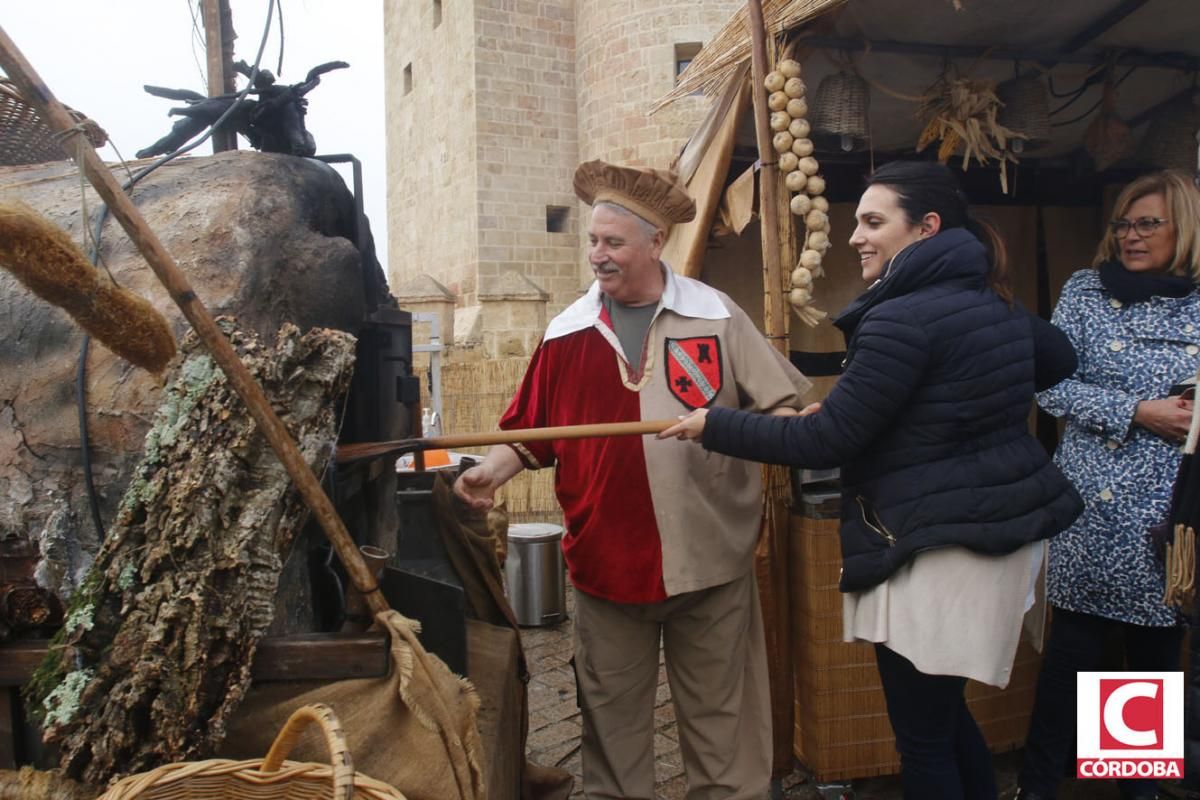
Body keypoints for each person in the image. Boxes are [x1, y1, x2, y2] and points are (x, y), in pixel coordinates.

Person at [661, 160, 1083, 800]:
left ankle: (1137, 781)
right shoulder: (984, 298)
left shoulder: (903, 315)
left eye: (872, 221)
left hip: (937, 546)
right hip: (997, 530)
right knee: (943, 715)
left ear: (926, 228)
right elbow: (1054, 361)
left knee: (922, 736)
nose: (855, 235)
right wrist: (951, 409)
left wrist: (713, 424)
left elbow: (826, 442)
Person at [453, 159, 813, 799]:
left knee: (724, 734)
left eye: (613, 242)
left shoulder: (715, 315)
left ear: (655, 242)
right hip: (604, 566)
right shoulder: (566, 332)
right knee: (612, 737)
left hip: (710, 564)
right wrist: (491, 471)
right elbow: (532, 435)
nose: (598, 255)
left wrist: (790, 425)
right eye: (593, 240)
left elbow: (779, 407)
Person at [1015, 169, 1200, 800]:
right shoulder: (1085, 292)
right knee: (1071, 660)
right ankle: (1038, 787)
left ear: (1185, 227)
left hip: (1169, 514)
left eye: (1148, 223)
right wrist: (1137, 411)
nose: (1130, 235)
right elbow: (1048, 382)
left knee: (1150, 664)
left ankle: (1134, 791)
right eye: (1123, 223)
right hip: (1089, 506)